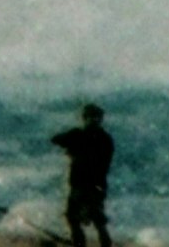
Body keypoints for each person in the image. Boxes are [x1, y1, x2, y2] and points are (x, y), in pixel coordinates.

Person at [53, 103, 113, 247]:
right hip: (97, 185)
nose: (93, 120)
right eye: (92, 117)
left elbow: (56, 139)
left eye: (94, 117)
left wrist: (71, 150)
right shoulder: (106, 138)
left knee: (74, 219)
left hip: (81, 184)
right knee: (98, 221)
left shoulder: (78, 134)